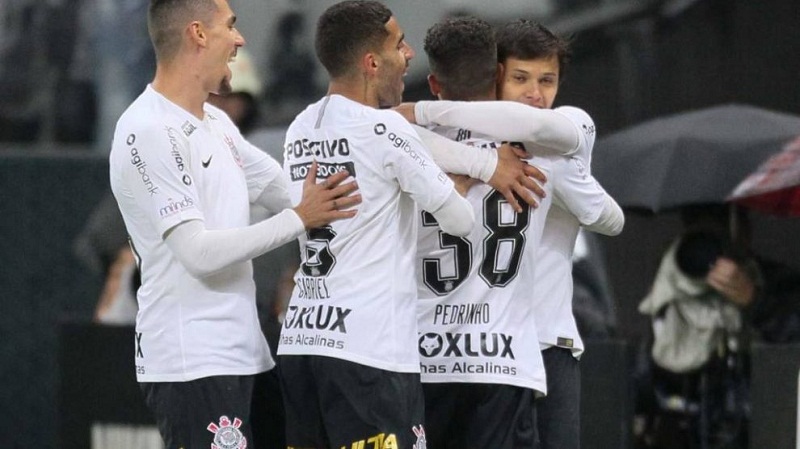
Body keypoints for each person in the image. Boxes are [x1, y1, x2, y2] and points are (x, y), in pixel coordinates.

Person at [108, 1, 361, 448]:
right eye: (230, 26)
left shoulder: (217, 122)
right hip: (193, 363)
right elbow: (199, 253)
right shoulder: (147, 130)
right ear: (198, 34)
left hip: (248, 355)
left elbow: (293, 193)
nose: (240, 39)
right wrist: (300, 219)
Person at [397, 18, 625, 449]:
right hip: (500, 351)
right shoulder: (543, 150)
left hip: (527, 342)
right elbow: (610, 218)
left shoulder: (418, 144)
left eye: (547, 80)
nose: (535, 93)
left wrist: (421, 113)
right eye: (521, 78)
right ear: (497, 74)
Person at [275, 2, 478, 447]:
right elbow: (460, 221)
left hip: (302, 339)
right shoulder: (385, 128)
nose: (408, 54)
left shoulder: (299, 127)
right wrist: (457, 183)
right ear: (371, 62)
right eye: (399, 45)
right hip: (369, 352)